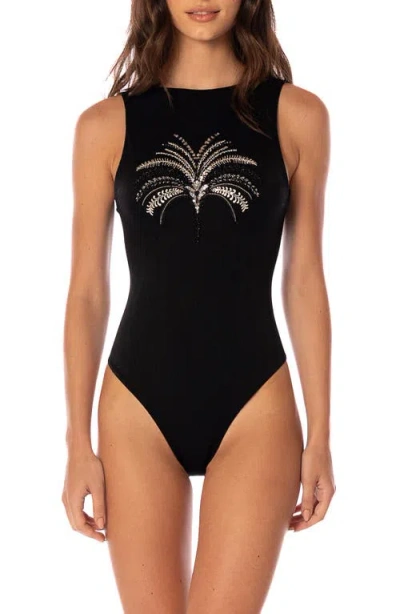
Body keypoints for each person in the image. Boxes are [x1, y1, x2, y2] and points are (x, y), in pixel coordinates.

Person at [62, 1, 336, 612]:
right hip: (137, 407)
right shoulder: (104, 126)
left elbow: (304, 280)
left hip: (256, 407)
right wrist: (77, 441)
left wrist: (320, 434)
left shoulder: (297, 117)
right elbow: (86, 291)